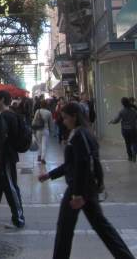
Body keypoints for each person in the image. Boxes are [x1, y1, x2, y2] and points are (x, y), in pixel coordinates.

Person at [39, 102, 134, 259]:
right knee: (101, 227)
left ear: (74, 117)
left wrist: (77, 194)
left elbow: (82, 164)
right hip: (86, 188)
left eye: (65, 118)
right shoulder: (83, 132)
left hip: (79, 188)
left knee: (65, 227)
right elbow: (73, 163)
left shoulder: (79, 135)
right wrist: (50, 175)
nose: (63, 121)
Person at [0, 90, 25, 229]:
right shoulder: (9, 115)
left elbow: (2, 139)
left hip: (5, 157)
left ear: (2, 100)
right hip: (4, 156)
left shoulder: (6, 116)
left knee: (10, 187)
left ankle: (18, 218)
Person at [109, 97, 137, 162]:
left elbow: (116, 120)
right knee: (134, 142)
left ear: (123, 104)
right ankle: (134, 153)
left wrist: (111, 121)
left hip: (125, 130)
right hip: (133, 129)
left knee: (127, 143)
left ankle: (130, 157)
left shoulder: (122, 111)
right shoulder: (134, 111)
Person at [33, 99, 54, 165]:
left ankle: (39, 156)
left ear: (40, 105)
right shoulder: (49, 112)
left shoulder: (37, 111)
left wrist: (33, 129)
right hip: (46, 130)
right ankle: (43, 158)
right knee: (44, 144)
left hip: (38, 130)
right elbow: (51, 123)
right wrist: (51, 131)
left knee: (39, 143)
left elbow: (34, 121)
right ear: (46, 105)